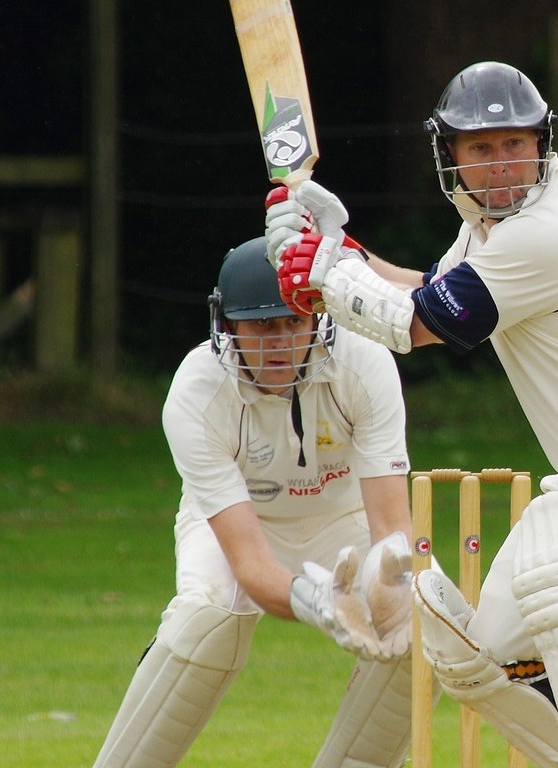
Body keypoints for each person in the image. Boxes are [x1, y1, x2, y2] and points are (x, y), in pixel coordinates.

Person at [264, 60, 558, 768]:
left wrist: (322, 273)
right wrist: (343, 251)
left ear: (541, 145)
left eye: (514, 144)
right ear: (451, 155)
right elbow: (428, 290)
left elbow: (414, 325)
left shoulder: (548, 232)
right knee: (481, 659)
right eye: (481, 148)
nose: (500, 163)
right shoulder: (486, 233)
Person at [93, 237, 426, 768]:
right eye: (262, 325)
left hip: (343, 519)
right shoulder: (196, 392)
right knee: (207, 621)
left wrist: (391, 586)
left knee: (423, 619)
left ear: (319, 316)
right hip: (237, 522)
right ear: (226, 325)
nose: (280, 343)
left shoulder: (363, 362)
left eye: (293, 322)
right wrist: (317, 604)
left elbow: (391, 526)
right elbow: (249, 565)